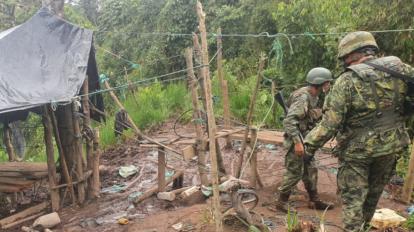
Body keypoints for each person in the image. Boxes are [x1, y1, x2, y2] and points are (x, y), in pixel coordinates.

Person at [304, 31, 414, 231]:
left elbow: (329, 125)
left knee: (354, 203)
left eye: (345, 58)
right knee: (372, 197)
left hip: (357, 153)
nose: (345, 61)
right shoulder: (402, 69)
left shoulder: (347, 81)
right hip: (390, 147)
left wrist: (307, 147)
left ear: (351, 54)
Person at [275, 67, 334, 212]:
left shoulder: (314, 95)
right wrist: (297, 143)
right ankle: (281, 203)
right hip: (297, 140)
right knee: (294, 172)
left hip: (306, 138)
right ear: (320, 83)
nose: (328, 86)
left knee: (311, 170)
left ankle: (315, 200)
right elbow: (289, 121)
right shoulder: (303, 97)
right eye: (327, 83)